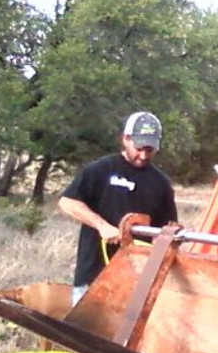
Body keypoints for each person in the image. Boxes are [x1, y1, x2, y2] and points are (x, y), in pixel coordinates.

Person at [58, 111, 178, 305]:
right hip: (94, 277)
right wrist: (102, 225)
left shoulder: (161, 183)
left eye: (150, 149)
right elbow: (67, 202)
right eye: (139, 148)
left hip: (136, 283)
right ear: (125, 139)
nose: (144, 155)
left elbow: (166, 228)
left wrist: (172, 237)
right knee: (85, 332)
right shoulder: (101, 170)